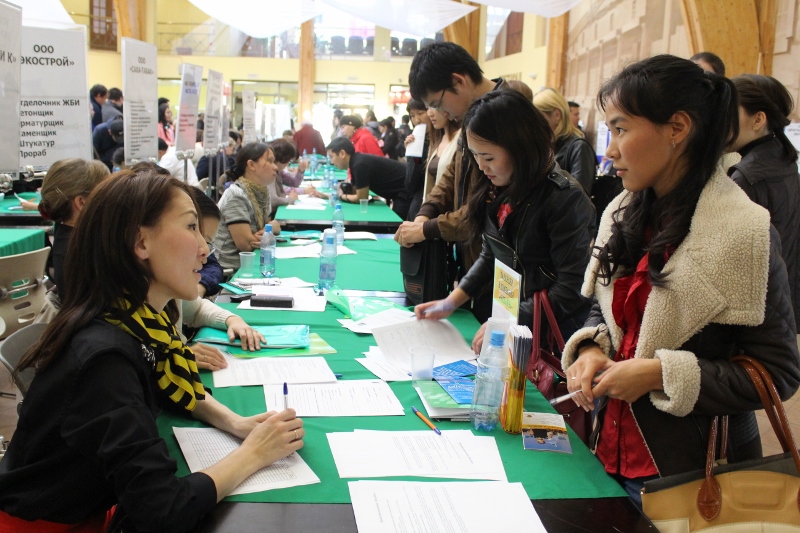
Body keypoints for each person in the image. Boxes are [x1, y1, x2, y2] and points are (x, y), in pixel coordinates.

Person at [0, 171, 304, 531]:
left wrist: (235, 423)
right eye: (191, 227)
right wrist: (252, 454)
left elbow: (165, 383)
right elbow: (162, 509)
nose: (205, 248)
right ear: (140, 243)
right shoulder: (105, 358)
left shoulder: (138, 320)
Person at [560, 55, 800, 507]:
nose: (610, 150)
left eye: (621, 129)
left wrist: (660, 374)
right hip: (606, 445)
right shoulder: (623, 211)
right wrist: (592, 348)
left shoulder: (743, 231)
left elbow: (778, 372)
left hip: (689, 470)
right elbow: (609, 307)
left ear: (677, 128)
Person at [415, 90, 594, 349]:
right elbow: (491, 255)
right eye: (475, 156)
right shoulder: (501, 186)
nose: (481, 166)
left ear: (521, 148)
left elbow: (572, 287)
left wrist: (513, 319)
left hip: (551, 338)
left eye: (488, 157)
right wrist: (451, 301)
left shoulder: (564, 198)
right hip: (515, 323)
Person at [394, 42, 507, 321]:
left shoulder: (507, 114)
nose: (437, 113)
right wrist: (424, 216)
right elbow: (449, 178)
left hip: (503, 277)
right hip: (475, 266)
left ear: (458, 81)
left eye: (437, 103)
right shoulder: (470, 116)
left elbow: (484, 212)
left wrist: (428, 229)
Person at [728, 74, 800, 329]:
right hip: (786, 304)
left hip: (761, 315)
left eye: (728, 112)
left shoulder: (747, 177)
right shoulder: (784, 158)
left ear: (758, 119)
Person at [37, 159, 110, 294]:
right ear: (81, 202)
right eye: (105, 194)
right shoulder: (84, 252)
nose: (111, 200)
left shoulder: (67, 234)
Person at [214, 142, 281, 271]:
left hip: (252, 262)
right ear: (251, 165)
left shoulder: (262, 191)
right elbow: (248, 245)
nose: (275, 167)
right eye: (270, 161)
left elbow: (265, 229)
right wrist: (271, 229)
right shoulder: (236, 195)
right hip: (230, 271)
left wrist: (272, 227)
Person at [327, 137, 410, 219]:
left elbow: (361, 198)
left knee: (397, 225)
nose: (331, 161)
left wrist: (342, 196)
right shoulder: (355, 162)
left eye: (331, 156)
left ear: (342, 154)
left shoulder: (359, 164)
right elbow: (355, 192)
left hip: (406, 190)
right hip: (401, 191)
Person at [534, 88, 596, 195]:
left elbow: (579, 196)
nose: (534, 123)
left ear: (557, 115)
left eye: (538, 117)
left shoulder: (579, 147)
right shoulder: (544, 146)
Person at [404, 99, 432, 220]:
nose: (416, 120)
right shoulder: (418, 141)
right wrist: (412, 155)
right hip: (420, 202)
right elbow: (410, 184)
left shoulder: (446, 139)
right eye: (412, 116)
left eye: (420, 113)